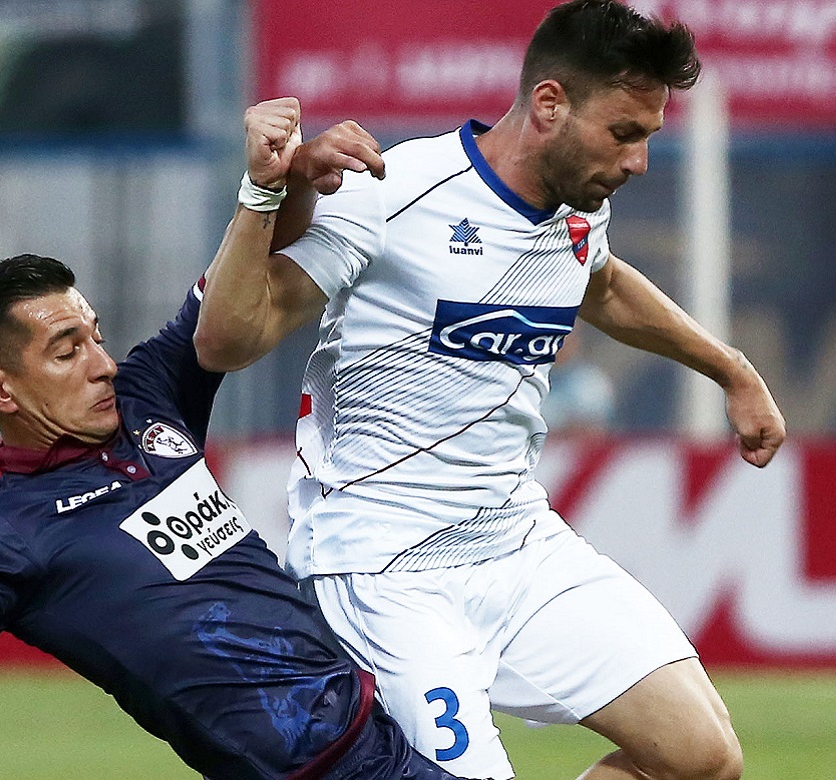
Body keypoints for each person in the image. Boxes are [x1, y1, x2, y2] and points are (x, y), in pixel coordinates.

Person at [0, 114, 465, 780]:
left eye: (96, 336)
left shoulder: (148, 396)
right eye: (66, 350)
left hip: (375, 723)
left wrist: (281, 185)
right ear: (1, 390)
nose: (102, 363)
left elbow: (246, 279)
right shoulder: (3, 534)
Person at [195, 2, 786, 778]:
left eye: (647, 136)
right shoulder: (394, 192)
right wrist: (263, 193)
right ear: (550, 104)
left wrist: (731, 370)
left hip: (516, 543)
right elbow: (227, 340)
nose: (638, 161)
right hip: (384, 565)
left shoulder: (578, 211)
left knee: (701, 758)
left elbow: (603, 286)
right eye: (624, 133)